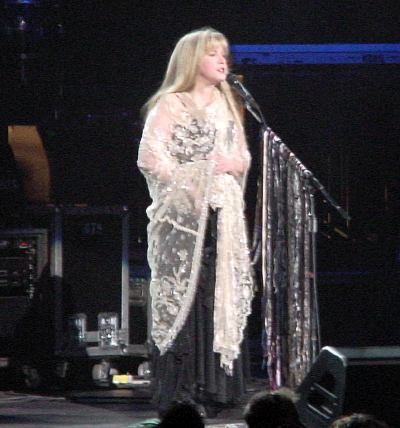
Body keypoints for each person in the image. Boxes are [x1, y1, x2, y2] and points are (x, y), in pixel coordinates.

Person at [137, 27, 254, 417]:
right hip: (185, 217)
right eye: (213, 54)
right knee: (186, 295)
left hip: (223, 215)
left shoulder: (227, 103)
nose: (222, 61)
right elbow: (151, 158)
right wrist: (191, 182)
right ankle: (182, 392)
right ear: (192, 60)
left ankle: (215, 387)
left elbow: (242, 157)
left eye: (225, 54)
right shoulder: (171, 104)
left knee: (215, 295)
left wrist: (229, 165)